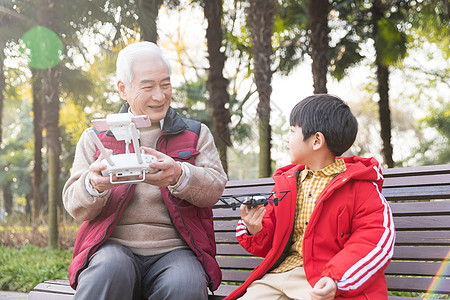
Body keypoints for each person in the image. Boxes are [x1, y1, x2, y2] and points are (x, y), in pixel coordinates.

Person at [63, 41, 227, 300]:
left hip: (177, 251)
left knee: (184, 285)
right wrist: (94, 185)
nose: (160, 96)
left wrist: (179, 174)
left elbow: (215, 188)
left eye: (166, 84)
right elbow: (74, 204)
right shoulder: (96, 136)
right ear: (123, 89)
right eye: (148, 86)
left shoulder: (195, 134)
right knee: (108, 270)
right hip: (112, 247)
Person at [226, 94, 395, 300]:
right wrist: (256, 228)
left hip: (324, 280)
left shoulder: (360, 187)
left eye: (292, 131)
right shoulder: (288, 184)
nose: (286, 138)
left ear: (316, 140)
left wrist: (336, 279)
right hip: (279, 276)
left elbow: (373, 241)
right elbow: (272, 242)